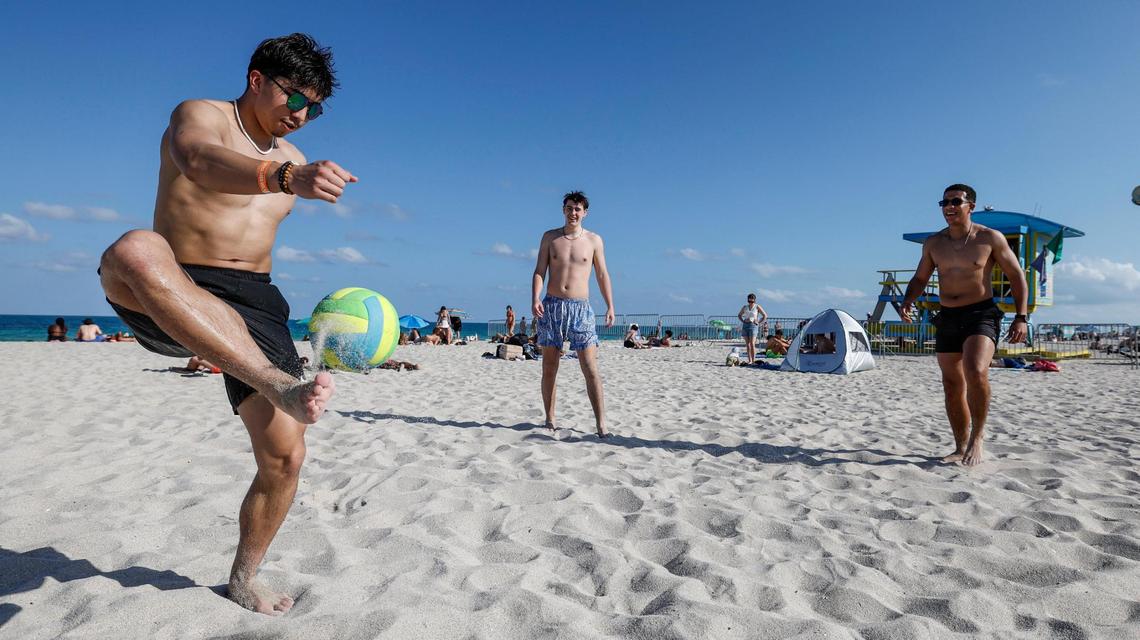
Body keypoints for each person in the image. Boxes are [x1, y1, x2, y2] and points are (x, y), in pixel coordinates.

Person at [96, 34, 349, 615]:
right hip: (170, 285)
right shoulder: (201, 116)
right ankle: (275, 383)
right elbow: (197, 162)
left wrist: (294, 174)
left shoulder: (294, 159)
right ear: (257, 78)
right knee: (135, 247)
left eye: (316, 108)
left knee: (286, 456)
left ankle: (243, 576)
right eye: (296, 99)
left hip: (252, 301)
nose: (303, 116)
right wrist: (285, 179)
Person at [900, 183, 1028, 467]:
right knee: (951, 383)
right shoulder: (934, 243)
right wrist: (908, 300)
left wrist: (1021, 317)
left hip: (981, 313)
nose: (949, 207)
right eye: (944, 202)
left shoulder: (989, 238)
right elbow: (921, 278)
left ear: (971, 205)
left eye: (956, 201)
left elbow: (1017, 276)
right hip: (948, 315)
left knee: (975, 370)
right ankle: (959, 445)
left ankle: (977, 439)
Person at [533, 191, 615, 438]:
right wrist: (535, 297)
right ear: (563, 210)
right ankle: (550, 418)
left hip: (581, 308)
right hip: (552, 306)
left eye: (578, 209)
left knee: (590, 367)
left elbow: (602, 274)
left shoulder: (593, 240)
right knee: (549, 367)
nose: (573, 213)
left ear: (585, 212)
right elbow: (539, 271)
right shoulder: (550, 238)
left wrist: (610, 305)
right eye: (569, 208)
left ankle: (601, 424)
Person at [737, 293, 768, 364]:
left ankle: (753, 360)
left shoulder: (757, 307)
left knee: (752, 343)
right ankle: (750, 360)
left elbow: (765, 315)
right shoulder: (745, 307)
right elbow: (739, 315)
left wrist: (759, 322)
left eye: (752, 301)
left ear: (755, 300)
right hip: (745, 325)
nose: (750, 302)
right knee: (747, 344)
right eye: (749, 301)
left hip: (753, 325)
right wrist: (743, 320)